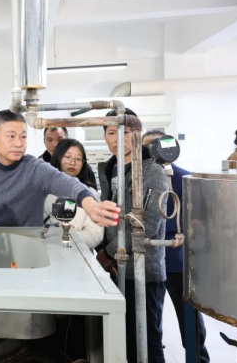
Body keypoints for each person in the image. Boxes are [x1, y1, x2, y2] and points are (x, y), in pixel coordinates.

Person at [0, 109, 120, 228]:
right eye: (11, 136)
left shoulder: (35, 169)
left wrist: (91, 206)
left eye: (23, 137)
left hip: (27, 247)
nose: (18, 143)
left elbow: (69, 184)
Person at [97, 109, 168, 363]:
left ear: (137, 134)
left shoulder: (152, 170)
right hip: (116, 269)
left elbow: (146, 223)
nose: (117, 138)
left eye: (125, 132)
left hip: (143, 272)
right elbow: (109, 216)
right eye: (111, 132)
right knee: (123, 341)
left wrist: (108, 254)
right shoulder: (109, 168)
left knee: (147, 342)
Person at [142, 130, 210, 363]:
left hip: (177, 261)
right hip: (150, 259)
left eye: (154, 146)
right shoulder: (140, 180)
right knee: (152, 318)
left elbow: (199, 218)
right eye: (146, 148)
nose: (151, 152)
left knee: (189, 318)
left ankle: (198, 358)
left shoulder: (185, 179)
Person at [43, 139, 103, 250]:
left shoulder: (90, 194)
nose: (73, 162)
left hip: (79, 254)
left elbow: (95, 233)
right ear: (58, 158)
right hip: (46, 251)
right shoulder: (43, 190)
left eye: (78, 159)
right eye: (67, 157)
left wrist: (67, 238)